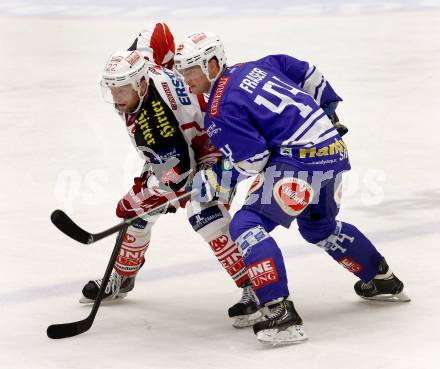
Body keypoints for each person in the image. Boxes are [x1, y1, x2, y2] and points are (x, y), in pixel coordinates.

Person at [174, 32, 410, 345]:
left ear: (212, 64)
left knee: (247, 224)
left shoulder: (220, 110)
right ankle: (382, 280)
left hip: (300, 162)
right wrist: (328, 109)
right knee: (319, 227)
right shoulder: (258, 65)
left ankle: (280, 315)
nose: (184, 77)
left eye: (190, 69)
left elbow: (254, 161)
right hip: (334, 151)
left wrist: (215, 179)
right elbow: (306, 72)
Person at [80, 23, 263, 328]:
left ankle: (254, 287)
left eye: (122, 89)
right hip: (185, 143)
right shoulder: (142, 71)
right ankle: (124, 277)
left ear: (140, 86)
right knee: (141, 214)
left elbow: (178, 177)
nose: (116, 97)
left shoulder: (155, 120)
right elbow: (157, 31)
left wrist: (143, 195)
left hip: (219, 147)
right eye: (112, 88)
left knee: (203, 212)